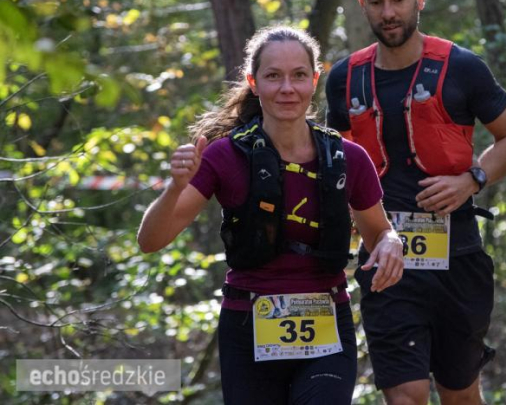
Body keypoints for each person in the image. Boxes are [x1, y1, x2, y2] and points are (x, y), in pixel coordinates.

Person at [137, 26, 404, 405]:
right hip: (248, 325)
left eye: (298, 75)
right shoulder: (223, 157)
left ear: (314, 80)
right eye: (273, 76)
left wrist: (392, 242)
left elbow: (380, 232)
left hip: (326, 325)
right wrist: (176, 186)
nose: (287, 88)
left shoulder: (348, 157)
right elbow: (151, 241)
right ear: (253, 81)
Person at [326, 0, 506, 404]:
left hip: (457, 257)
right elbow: (335, 166)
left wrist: (472, 179)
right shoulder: (344, 79)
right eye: (376, 2)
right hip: (386, 263)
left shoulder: (462, 67)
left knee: (460, 394)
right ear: (362, 4)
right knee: (406, 396)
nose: (389, 12)